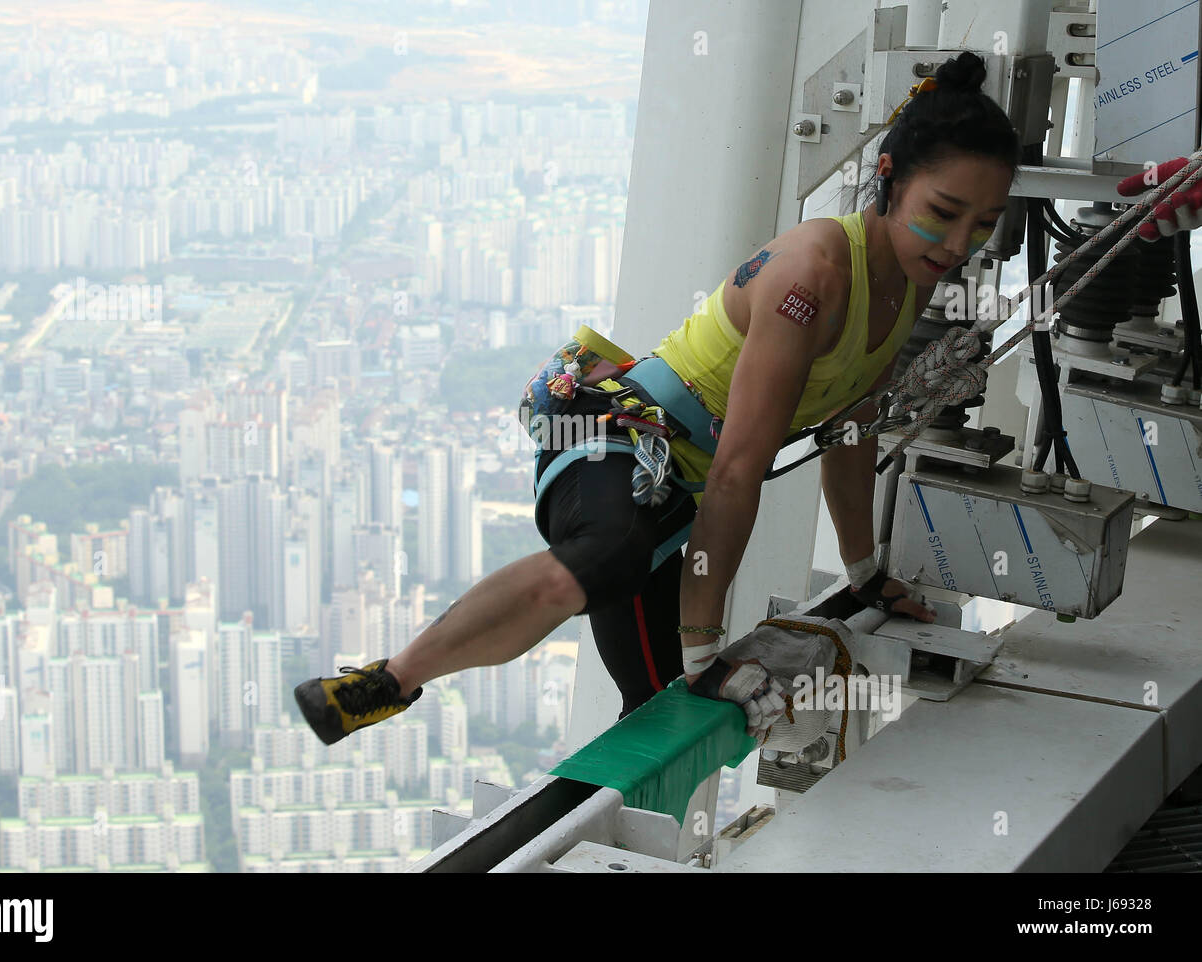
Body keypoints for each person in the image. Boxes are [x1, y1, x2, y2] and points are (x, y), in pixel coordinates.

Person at [294, 50, 1021, 746]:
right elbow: (737, 472)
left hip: (673, 490)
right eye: (943, 211)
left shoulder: (909, 277)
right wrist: (709, 655)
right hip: (616, 436)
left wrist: (863, 575)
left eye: (983, 224)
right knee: (612, 559)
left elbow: (851, 430)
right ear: (889, 177)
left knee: (662, 704)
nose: (959, 243)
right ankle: (386, 683)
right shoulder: (814, 272)